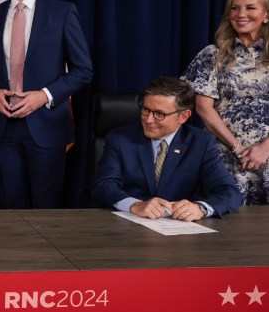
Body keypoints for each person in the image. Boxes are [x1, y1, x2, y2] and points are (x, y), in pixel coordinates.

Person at [0, 0, 93, 208]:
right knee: (8, 208)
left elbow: (83, 70)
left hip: (47, 125)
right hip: (3, 128)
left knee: (46, 209)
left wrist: (44, 95)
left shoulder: (62, 12)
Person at [93, 77, 242, 219]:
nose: (149, 119)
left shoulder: (201, 143)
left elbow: (229, 193)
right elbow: (103, 186)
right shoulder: (119, 139)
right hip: (128, 224)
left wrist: (200, 208)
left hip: (180, 231)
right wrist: (135, 205)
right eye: (145, 110)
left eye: (159, 114)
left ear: (183, 116)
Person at [181, 0, 269, 205]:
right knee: (226, 225)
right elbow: (203, 107)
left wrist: (263, 149)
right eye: (234, 8)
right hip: (226, 155)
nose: (241, 14)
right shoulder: (213, 55)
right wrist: (238, 149)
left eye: (250, 8)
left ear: (266, 14)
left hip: (267, 153)